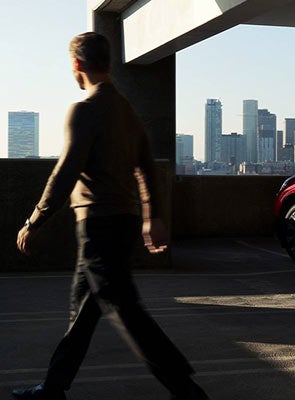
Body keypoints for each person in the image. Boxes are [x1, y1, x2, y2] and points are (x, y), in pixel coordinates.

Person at [13, 32, 208, 400]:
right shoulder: (125, 109)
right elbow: (146, 166)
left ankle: (186, 389)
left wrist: (33, 221)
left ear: (77, 65)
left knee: (124, 309)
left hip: (98, 224)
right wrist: (152, 215)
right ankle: (53, 387)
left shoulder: (83, 110)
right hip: (123, 221)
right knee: (83, 311)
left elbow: (66, 171)